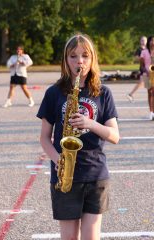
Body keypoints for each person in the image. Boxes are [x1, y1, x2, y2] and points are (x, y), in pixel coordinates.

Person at [37, 33, 120, 240]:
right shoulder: (54, 92)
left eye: (85, 56)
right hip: (65, 175)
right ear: (66, 60)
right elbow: (44, 138)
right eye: (73, 56)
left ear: (92, 59)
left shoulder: (103, 93)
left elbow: (114, 136)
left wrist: (90, 123)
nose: (79, 61)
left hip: (95, 175)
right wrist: (59, 161)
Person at [126, 36, 147, 102]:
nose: (143, 42)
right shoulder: (139, 50)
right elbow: (136, 58)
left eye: (144, 40)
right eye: (142, 40)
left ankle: (130, 94)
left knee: (145, 83)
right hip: (143, 68)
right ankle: (130, 94)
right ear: (140, 41)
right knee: (142, 82)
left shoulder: (147, 49)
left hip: (148, 68)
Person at [140, 36, 154, 120]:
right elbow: (141, 65)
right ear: (149, 42)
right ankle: (151, 112)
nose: (153, 42)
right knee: (150, 93)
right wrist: (146, 71)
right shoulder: (144, 52)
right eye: (151, 41)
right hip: (147, 74)